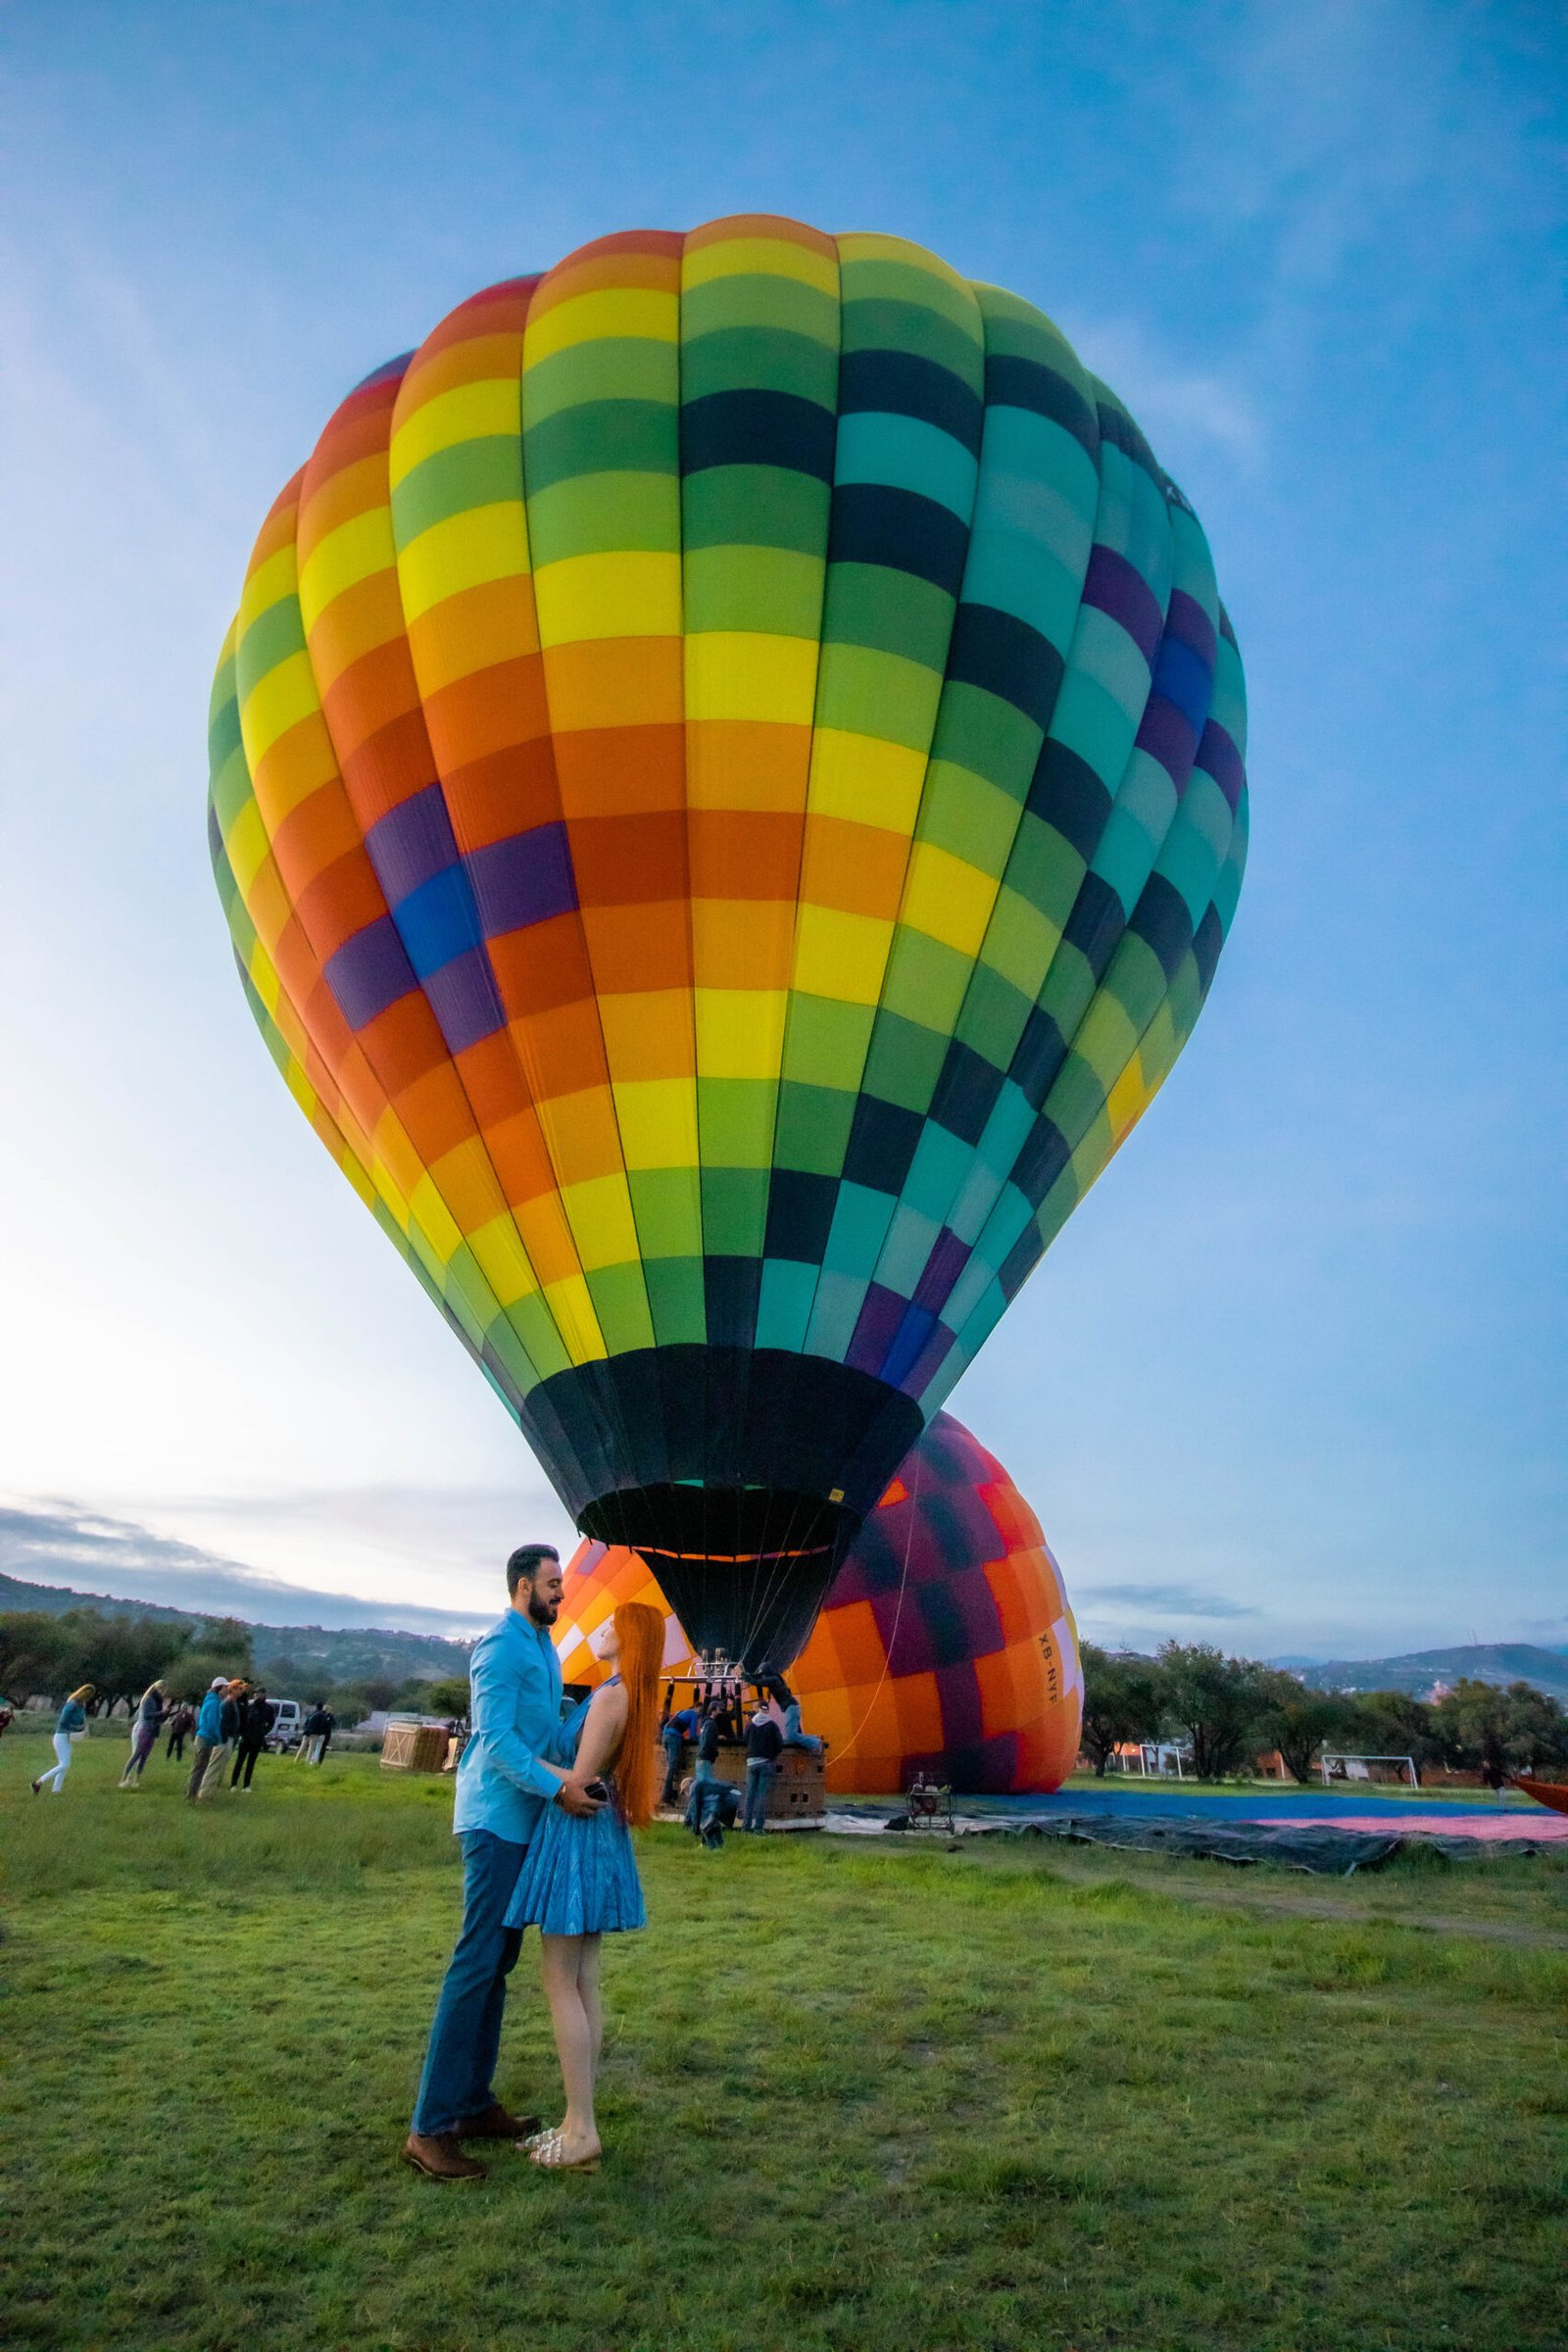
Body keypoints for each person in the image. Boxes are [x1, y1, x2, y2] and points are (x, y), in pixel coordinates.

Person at [404, 1544, 604, 2184]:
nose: (561, 1594)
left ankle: (470, 2105)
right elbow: (497, 1742)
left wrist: (603, 1714)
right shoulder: (499, 1647)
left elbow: (545, 1725)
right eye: (552, 1584)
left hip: (526, 1822)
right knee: (476, 1965)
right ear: (523, 1587)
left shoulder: (544, 1648)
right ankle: (428, 2129)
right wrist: (560, 1788)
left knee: (498, 1964)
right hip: (496, 1822)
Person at [506, 1600, 661, 2173]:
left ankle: (583, 2130)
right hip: (599, 1836)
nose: (597, 1631)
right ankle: (576, 2121)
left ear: (625, 1637)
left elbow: (580, 1780)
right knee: (583, 1980)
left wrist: (513, 1757)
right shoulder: (626, 1694)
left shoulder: (612, 1696)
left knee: (559, 1982)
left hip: (576, 1836)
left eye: (606, 1625)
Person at [32, 1686, 94, 1794]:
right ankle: (39, 1782)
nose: (89, 1700)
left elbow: (81, 1721)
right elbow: (63, 1721)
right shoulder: (72, 1705)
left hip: (67, 1737)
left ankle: (56, 1790)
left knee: (64, 1765)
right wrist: (76, 1728)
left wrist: (82, 1728)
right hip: (61, 1736)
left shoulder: (80, 1706)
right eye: (88, 1697)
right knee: (64, 1764)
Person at [683, 1701, 727, 1838]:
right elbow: (708, 1743)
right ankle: (700, 1824)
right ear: (713, 1710)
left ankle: (689, 1822)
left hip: (701, 1760)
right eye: (720, 1710)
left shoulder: (705, 1723)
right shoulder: (712, 1724)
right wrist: (714, 1754)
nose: (722, 1712)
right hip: (705, 1760)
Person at [743, 1701, 784, 1832]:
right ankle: (758, 1827)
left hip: (751, 1763)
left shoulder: (749, 1725)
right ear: (768, 1711)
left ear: (758, 1709)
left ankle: (746, 1825)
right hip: (766, 1763)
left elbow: (745, 1741)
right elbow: (779, 1744)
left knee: (749, 1795)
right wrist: (772, 1755)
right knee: (761, 1796)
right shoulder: (772, 1725)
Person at [120, 1681, 167, 1786]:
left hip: (152, 1729)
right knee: (137, 1754)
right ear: (158, 1688)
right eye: (162, 1690)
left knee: (144, 1756)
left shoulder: (157, 1701)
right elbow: (147, 1715)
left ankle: (136, 1780)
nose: (163, 1693)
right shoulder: (149, 1699)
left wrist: (164, 1714)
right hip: (144, 1728)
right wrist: (161, 1713)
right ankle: (124, 1779)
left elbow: (157, 1717)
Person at [660, 1696, 700, 1806]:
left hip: (665, 1736)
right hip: (673, 1737)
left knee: (670, 1766)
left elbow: (668, 1724)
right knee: (673, 1766)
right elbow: (692, 1735)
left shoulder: (680, 1712)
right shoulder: (694, 1714)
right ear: (698, 1708)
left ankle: (671, 1791)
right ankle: (666, 1794)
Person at [230, 1686, 270, 1788]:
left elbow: (271, 1723)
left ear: (263, 1694)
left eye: (258, 1693)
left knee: (251, 1763)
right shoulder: (249, 1707)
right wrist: (242, 1733)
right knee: (239, 1761)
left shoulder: (268, 1709)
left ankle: (246, 1785)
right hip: (246, 1738)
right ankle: (233, 1784)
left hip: (257, 1739)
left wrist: (263, 1732)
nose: (256, 1695)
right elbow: (242, 1721)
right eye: (255, 1693)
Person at [780, 1692, 823, 1759]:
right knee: (791, 1736)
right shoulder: (792, 1708)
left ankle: (816, 1742)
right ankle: (815, 1739)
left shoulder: (791, 1709)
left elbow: (792, 1736)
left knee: (791, 1736)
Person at [298, 1701, 332, 1766]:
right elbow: (325, 1725)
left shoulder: (312, 1714)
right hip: (315, 1734)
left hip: (307, 1732)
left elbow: (306, 1723)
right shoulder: (322, 1715)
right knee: (312, 1749)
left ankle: (296, 1760)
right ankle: (309, 1762)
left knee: (302, 1748)